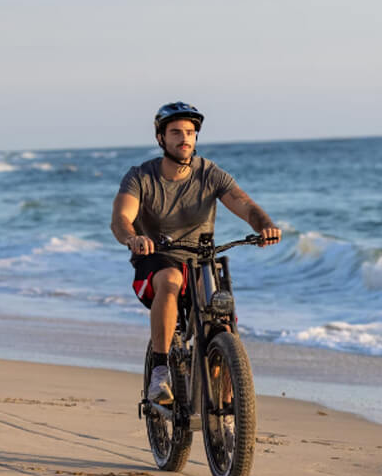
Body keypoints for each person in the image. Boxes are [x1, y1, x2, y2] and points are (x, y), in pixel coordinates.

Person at [110, 102, 281, 404]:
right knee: (171, 279)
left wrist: (265, 225)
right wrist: (134, 238)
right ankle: (161, 370)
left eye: (190, 132)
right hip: (156, 256)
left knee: (222, 319)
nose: (184, 138)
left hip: (200, 258)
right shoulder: (140, 176)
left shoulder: (210, 173)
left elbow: (245, 205)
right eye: (175, 132)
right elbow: (121, 219)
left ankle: (228, 405)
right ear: (161, 138)